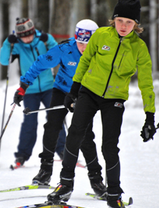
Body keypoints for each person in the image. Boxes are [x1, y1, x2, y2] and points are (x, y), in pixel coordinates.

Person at [47, 0, 156, 208]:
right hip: (89, 91)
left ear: (136, 25)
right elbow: (85, 61)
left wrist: (150, 116)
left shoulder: (139, 49)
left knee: (109, 147)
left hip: (114, 99)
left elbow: (146, 83)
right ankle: (65, 184)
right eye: (120, 21)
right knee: (75, 134)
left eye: (129, 22)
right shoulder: (100, 36)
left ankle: (114, 196)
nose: (124, 26)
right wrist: (74, 89)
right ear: (113, 20)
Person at [14, 19, 107, 198]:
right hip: (63, 90)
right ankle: (45, 171)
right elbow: (40, 63)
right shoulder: (65, 49)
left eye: (88, 44)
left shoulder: (102, 54)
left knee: (86, 136)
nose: (83, 47)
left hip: (85, 95)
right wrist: (23, 86)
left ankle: (96, 180)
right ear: (75, 39)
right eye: (80, 42)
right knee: (52, 126)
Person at [0, 17, 66, 167]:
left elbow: (58, 52)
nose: (27, 39)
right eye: (23, 37)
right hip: (29, 90)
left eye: (29, 35)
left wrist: (48, 39)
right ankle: (22, 155)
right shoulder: (17, 46)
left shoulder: (42, 41)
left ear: (33, 31)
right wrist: (7, 43)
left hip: (49, 87)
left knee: (55, 118)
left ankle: (63, 151)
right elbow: (4, 61)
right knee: (29, 122)